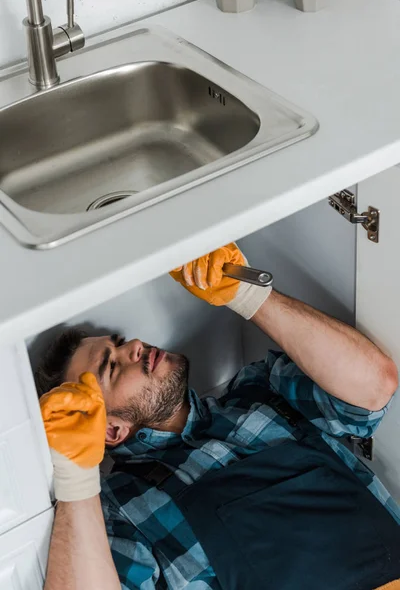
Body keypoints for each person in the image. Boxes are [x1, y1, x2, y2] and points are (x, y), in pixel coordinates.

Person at [36, 243, 400, 590]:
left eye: (119, 342)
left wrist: (249, 296)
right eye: (111, 367)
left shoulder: (260, 390)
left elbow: (373, 385)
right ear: (111, 429)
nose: (133, 347)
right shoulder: (124, 507)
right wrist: (77, 476)